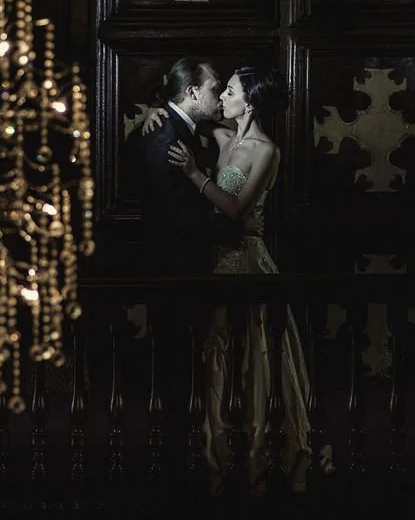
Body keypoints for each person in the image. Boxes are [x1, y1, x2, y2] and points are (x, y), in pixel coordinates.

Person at [142, 63, 330, 495]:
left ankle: (261, 457)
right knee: (218, 359)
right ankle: (217, 460)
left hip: (246, 260)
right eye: (221, 89)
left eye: (229, 91)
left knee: (256, 358)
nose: (221, 98)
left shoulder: (266, 150)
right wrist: (154, 109)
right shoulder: (221, 137)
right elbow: (181, 111)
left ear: (250, 101)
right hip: (214, 259)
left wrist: (195, 174)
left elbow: (235, 209)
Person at [133, 56, 258, 275]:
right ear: (192, 92)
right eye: (215, 89)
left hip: (186, 258)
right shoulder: (166, 136)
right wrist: (237, 229)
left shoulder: (185, 126)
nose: (220, 96)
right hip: (174, 265)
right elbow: (178, 212)